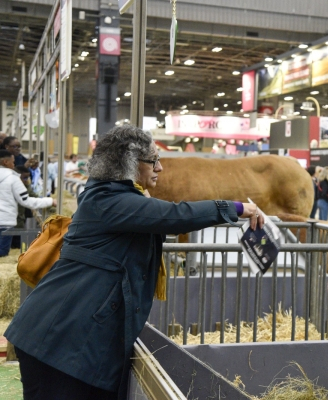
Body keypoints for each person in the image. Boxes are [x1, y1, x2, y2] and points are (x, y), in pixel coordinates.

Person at [4, 125, 264, 399]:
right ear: (129, 163)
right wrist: (236, 208)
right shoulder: (110, 201)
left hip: (68, 337)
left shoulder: (113, 197)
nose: (160, 168)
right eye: (153, 160)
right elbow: (175, 216)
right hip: (60, 341)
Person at [0, 150, 56, 257]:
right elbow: (26, 201)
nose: (14, 164)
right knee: (2, 254)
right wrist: (49, 201)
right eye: (13, 162)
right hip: (5, 222)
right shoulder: (13, 179)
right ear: (6, 162)